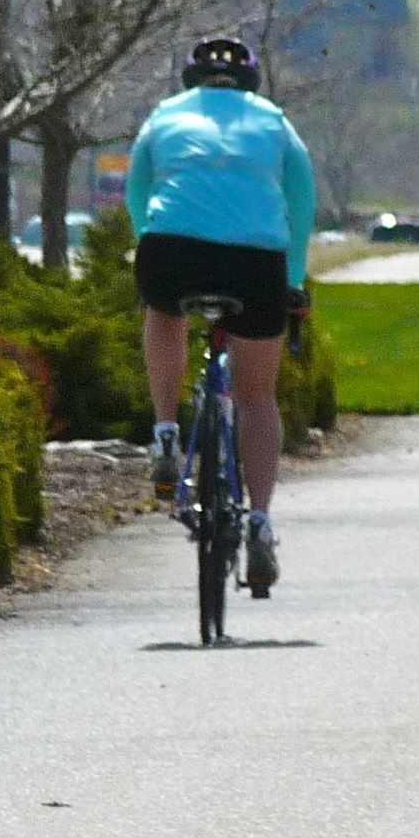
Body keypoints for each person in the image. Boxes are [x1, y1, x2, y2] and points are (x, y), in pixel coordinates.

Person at [128, 34, 315, 594]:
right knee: (257, 395)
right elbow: (301, 202)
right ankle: (259, 522)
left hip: (172, 250)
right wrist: (294, 279)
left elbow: (140, 193)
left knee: (164, 314)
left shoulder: (163, 116)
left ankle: (165, 431)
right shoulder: (275, 122)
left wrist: (149, 246)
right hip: (255, 261)